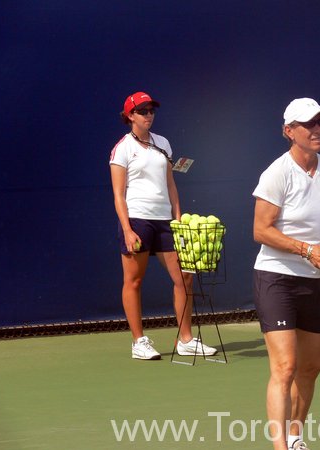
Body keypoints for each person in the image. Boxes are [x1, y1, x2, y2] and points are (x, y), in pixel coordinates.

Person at [252, 98, 320, 450]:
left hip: (314, 281)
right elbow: (261, 230)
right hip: (275, 277)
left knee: (310, 368)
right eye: (308, 124)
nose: (317, 129)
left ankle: (295, 437)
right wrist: (307, 250)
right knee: (286, 366)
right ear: (289, 132)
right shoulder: (277, 173)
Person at [109, 91, 216, 360]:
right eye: (143, 111)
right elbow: (118, 194)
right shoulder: (123, 149)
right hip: (137, 219)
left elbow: (170, 184)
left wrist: (178, 218)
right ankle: (139, 342)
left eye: (151, 111)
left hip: (166, 221)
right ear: (130, 116)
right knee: (134, 281)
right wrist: (128, 229)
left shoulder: (163, 144)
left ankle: (186, 339)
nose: (149, 115)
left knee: (185, 277)